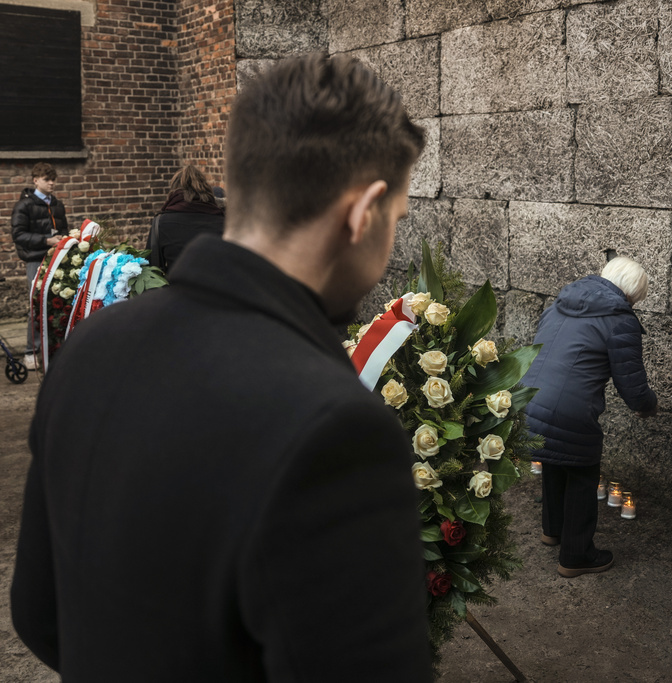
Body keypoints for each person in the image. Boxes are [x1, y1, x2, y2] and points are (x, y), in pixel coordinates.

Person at [11, 54, 431, 681]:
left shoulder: (92, 347)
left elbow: (38, 613)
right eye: (395, 220)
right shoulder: (338, 430)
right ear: (362, 212)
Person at [521, 257, 658, 578]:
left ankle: (552, 530)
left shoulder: (560, 302)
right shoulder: (620, 319)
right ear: (631, 296)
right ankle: (576, 555)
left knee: (556, 457)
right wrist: (648, 406)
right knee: (582, 471)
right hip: (570, 409)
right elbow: (632, 384)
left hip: (528, 399)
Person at [10, 162, 68, 370]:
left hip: (57, 259)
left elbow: (64, 230)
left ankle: (54, 349)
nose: (52, 183)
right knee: (36, 305)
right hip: (36, 260)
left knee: (57, 303)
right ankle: (30, 352)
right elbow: (18, 235)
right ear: (36, 180)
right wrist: (46, 240)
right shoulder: (24, 205)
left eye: (53, 179)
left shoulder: (57, 204)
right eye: (47, 179)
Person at [145, 164, 226, 273]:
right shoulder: (223, 221)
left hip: (177, 288)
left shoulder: (161, 223)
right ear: (205, 188)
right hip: (217, 288)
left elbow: (150, 269)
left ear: (174, 190)